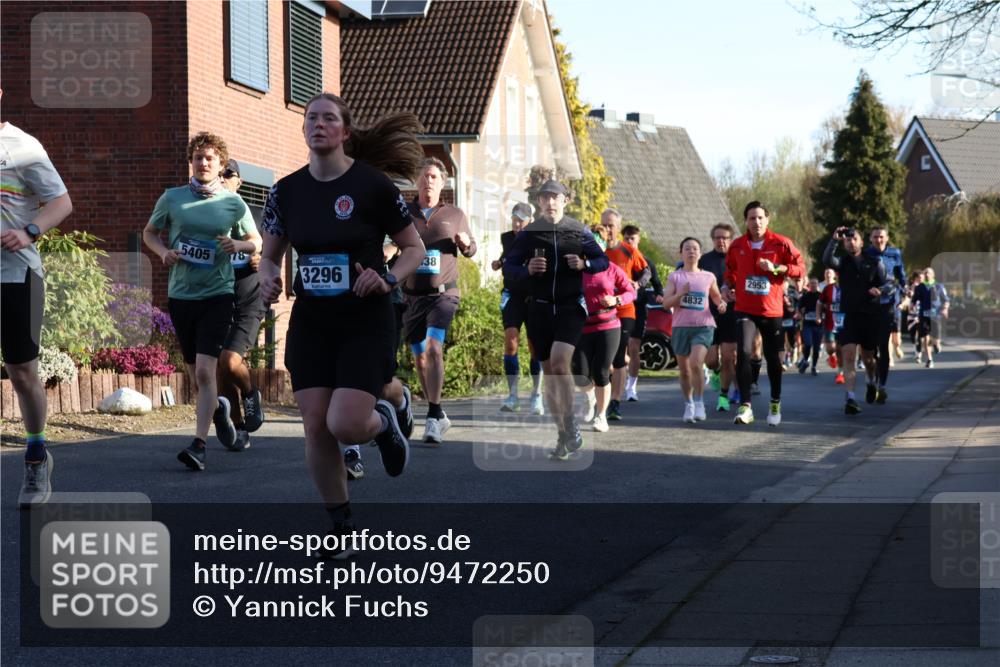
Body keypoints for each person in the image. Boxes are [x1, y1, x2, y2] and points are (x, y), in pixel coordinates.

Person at [258, 93, 423, 556]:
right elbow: (269, 257)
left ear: (345, 132)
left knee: (345, 424)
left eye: (329, 118)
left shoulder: (372, 186)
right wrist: (269, 280)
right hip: (312, 320)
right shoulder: (285, 191)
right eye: (311, 118)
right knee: (316, 426)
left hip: (365, 319)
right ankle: (341, 527)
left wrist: (387, 275)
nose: (319, 125)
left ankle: (384, 420)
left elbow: (412, 248)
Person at [143, 132, 261, 470]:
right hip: (182, 295)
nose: (203, 162)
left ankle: (198, 445)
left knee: (208, 372)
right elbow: (150, 233)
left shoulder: (233, 204)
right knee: (197, 376)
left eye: (210, 158)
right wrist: (164, 252)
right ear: (191, 162)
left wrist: (239, 246)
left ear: (221, 165)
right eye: (198, 157)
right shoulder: (173, 198)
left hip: (218, 295)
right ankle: (221, 408)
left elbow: (256, 241)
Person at [2, 93, 74, 508]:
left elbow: (62, 201)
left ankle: (35, 454)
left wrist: (30, 230)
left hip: (16, 274)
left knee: (23, 372)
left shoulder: (22, 146)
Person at [503, 179, 608, 460]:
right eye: (545, 197)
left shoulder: (578, 231)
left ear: (565, 200)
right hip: (538, 308)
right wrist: (526, 269)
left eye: (555, 197)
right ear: (539, 202)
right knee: (549, 373)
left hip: (570, 307)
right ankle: (563, 434)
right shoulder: (529, 234)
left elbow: (603, 260)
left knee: (561, 361)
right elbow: (509, 266)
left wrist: (584, 264)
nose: (550, 202)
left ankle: (571, 425)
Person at [401, 157, 476, 444]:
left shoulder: (454, 214)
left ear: (442, 183)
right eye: (425, 176)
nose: (429, 181)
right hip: (412, 297)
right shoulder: (404, 212)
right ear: (417, 181)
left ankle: (432, 416)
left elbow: (471, 247)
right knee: (420, 358)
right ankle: (439, 413)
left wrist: (465, 244)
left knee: (434, 348)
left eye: (434, 176)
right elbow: (391, 242)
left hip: (444, 294)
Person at [721, 201, 805, 426]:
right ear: (745, 221)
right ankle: (745, 406)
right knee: (744, 352)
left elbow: (800, 269)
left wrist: (777, 268)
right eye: (751, 218)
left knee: (774, 360)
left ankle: (775, 402)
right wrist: (726, 287)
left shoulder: (781, 243)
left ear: (767, 220)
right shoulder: (737, 245)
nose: (756, 222)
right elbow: (730, 271)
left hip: (771, 309)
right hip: (745, 308)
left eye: (760, 218)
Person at [217, 159, 268, 449]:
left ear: (239, 182)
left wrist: (263, 260)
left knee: (230, 360)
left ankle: (250, 393)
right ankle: (238, 427)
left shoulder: (257, 216)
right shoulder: (209, 219)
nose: (223, 178)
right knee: (219, 368)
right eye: (219, 174)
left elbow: (274, 253)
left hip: (250, 298)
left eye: (229, 174)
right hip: (218, 299)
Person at [823, 226, 891, 414]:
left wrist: (881, 291)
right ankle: (851, 398)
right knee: (849, 356)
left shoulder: (875, 262)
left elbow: (888, 285)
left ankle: (871, 382)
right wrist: (834, 240)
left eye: (854, 239)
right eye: (847, 240)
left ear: (861, 242)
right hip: (849, 316)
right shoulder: (842, 263)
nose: (851, 242)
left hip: (869, 316)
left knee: (869, 359)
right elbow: (827, 259)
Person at [658, 237, 726, 422]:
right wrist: (681, 294)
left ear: (700, 254)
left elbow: (717, 297)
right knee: (685, 370)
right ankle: (688, 404)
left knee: (696, 363)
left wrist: (721, 305)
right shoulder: (675, 277)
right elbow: (666, 304)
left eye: (695, 249)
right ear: (681, 253)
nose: (691, 251)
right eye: (687, 248)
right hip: (680, 327)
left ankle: (699, 403)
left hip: (703, 326)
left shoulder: (708, 276)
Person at [492, 202, 543, 415]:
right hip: (512, 295)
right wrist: (499, 262)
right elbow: (507, 257)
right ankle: (512, 395)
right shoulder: (506, 237)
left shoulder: (538, 238)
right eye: (515, 218)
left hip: (533, 296)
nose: (517, 223)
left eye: (521, 219)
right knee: (511, 342)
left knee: (534, 346)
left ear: (530, 221)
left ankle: (536, 394)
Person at [573, 262, 635, 432]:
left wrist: (616, 299)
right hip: (581, 326)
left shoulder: (610, 268)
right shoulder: (574, 267)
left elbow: (630, 291)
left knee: (601, 371)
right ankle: (589, 397)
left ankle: (601, 416)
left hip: (609, 325)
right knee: (580, 373)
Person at [601, 211, 651, 420]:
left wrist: (638, 284)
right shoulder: (595, 251)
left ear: (618, 228)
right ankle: (601, 395)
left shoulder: (629, 251)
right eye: (604, 225)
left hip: (624, 309)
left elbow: (647, 272)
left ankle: (615, 402)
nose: (608, 229)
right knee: (603, 357)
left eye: (611, 225)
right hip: (601, 310)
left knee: (619, 354)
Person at [865, 225, 906, 403]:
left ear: (887, 238)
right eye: (875, 237)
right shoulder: (865, 254)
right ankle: (871, 381)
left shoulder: (895, 254)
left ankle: (882, 386)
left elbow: (902, 278)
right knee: (870, 350)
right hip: (869, 306)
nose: (878, 240)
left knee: (884, 346)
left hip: (888, 305)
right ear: (870, 239)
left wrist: (904, 295)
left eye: (881, 237)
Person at [699, 223, 738, 411]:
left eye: (725, 238)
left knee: (730, 357)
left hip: (732, 314)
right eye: (717, 238)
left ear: (730, 240)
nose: (721, 241)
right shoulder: (704, 260)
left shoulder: (738, 259)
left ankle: (724, 395)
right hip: (710, 315)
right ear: (713, 239)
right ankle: (715, 372)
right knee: (711, 359)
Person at [621, 224, 656, 402]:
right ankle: (616, 378)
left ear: (638, 239)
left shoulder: (646, 261)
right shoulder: (617, 259)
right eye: (626, 238)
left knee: (634, 347)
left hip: (638, 308)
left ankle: (631, 387)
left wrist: (660, 295)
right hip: (618, 308)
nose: (629, 241)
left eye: (632, 238)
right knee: (618, 348)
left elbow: (655, 281)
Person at [912, 267, 949, 368]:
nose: (927, 275)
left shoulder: (939, 286)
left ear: (933, 275)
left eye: (928, 273)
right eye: (925, 273)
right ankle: (929, 359)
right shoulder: (920, 287)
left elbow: (946, 300)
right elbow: (914, 299)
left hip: (935, 315)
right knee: (925, 337)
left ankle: (936, 344)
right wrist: (912, 304)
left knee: (935, 338)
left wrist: (945, 309)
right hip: (923, 315)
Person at [820, 272, 846, 384]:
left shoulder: (848, 288)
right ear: (836, 276)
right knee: (830, 348)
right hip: (830, 323)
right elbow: (819, 303)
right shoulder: (828, 288)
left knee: (841, 350)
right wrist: (817, 315)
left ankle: (840, 374)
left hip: (844, 324)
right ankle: (831, 355)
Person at [797, 277, 823, 375]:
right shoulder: (805, 296)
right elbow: (798, 307)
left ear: (818, 285)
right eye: (811, 283)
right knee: (807, 344)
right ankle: (805, 360)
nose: (813, 285)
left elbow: (826, 308)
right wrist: (799, 313)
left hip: (818, 325)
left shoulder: (821, 296)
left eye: (815, 283)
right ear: (809, 285)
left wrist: (821, 315)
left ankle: (814, 367)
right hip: (807, 324)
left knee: (816, 348)